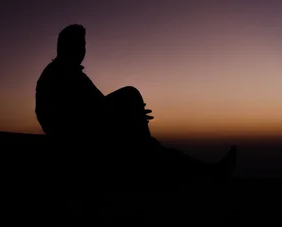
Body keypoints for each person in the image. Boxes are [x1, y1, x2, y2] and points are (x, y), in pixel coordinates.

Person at [35, 24, 236, 180]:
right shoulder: (60, 74)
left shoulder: (68, 73)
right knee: (131, 96)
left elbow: (96, 106)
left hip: (84, 131)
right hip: (77, 138)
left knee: (145, 132)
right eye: (79, 44)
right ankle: (196, 170)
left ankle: (202, 168)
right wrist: (124, 112)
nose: (83, 49)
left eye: (84, 45)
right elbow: (75, 113)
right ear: (67, 46)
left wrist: (127, 113)